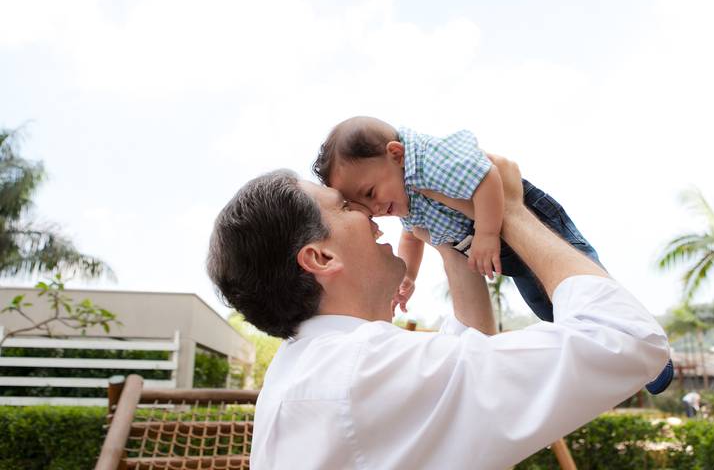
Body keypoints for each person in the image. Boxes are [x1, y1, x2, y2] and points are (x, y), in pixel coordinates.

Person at [207, 156, 670, 469]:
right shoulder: (363, 369)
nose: (370, 213)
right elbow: (628, 340)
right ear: (321, 258)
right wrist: (510, 209)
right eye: (345, 207)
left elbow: (466, 357)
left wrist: (447, 234)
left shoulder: (306, 368)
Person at [311, 115, 673, 395]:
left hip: (521, 215)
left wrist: (486, 233)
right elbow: (412, 235)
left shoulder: (428, 162)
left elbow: (489, 177)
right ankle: (623, 361)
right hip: (498, 241)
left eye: (372, 192)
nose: (376, 208)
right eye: (366, 207)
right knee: (547, 306)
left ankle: (645, 346)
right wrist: (408, 275)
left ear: (396, 153)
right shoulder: (401, 194)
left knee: (577, 273)